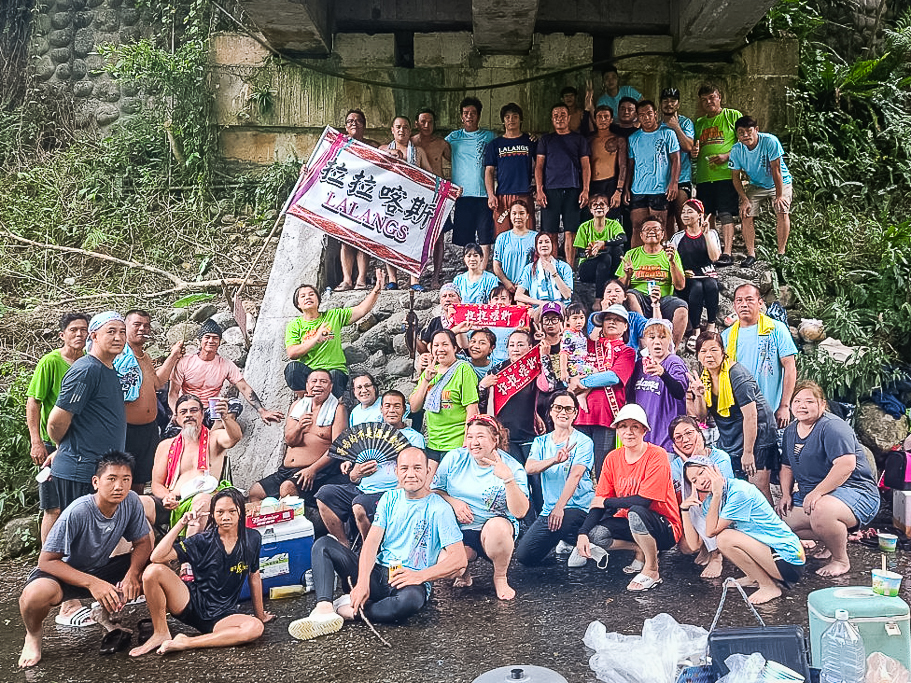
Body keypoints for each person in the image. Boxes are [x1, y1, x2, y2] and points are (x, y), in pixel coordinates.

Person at [288, 447, 467, 640]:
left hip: (408, 580)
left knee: (409, 603)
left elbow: (459, 559)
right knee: (324, 545)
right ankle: (324, 609)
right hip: (378, 572)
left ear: (428, 471)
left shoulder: (440, 509)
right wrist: (363, 582)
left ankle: (351, 611)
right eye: (405, 468)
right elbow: (372, 543)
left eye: (417, 468)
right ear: (397, 471)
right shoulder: (389, 499)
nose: (411, 474)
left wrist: (420, 576)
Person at [18, 451, 152, 668]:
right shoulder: (79, 510)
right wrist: (93, 583)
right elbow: (46, 561)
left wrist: (132, 575)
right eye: (112, 479)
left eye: (125, 479)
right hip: (65, 572)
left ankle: (154, 627)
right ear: (96, 482)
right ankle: (32, 636)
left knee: (158, 566)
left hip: (101, 567)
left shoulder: (132, 502)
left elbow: (143, 542)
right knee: (34, 595)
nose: (119, 486)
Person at [129, 488, 273, 656]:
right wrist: (181, 523)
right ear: (212, 514)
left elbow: (254, 576)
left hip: (223, 615)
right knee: (152, 571)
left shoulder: (253, 538)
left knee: (255, 627)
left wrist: (260, 615)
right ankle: (160, 632)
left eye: (232, 511)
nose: (226, 517)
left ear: (241, 511)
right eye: (220, 512)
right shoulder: (202, 540)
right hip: (190, 604)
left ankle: (187, 642)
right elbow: (157, 556)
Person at [573, 404, 681, 591]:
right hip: (631, 522)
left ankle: (652, 569)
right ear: (616, 430)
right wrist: (583, 533)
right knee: (595, 535)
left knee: (636, 512)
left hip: (665, 526)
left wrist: (607, 502)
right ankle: (639, 549)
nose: (628, 432)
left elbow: (643, 501)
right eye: (623, 426)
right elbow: (600, 501)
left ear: (644, 431)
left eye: (635, 427)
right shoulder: (612, 458)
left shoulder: (657, 455)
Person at [777, 381, 880, 577]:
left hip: (855, 490)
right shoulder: (791, 431)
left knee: (821, 509)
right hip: (814, 495)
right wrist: (785, 494)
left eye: (809, 401)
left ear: (822, 405)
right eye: (797, 401)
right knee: (780, 521)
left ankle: (840, 559)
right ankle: (832, 539)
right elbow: (787, 466)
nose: (802, 406)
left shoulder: (833, 427)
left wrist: (817, 492)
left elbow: (846, 465)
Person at [432, 415, 530, 600]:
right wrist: (454, 502)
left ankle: (500, 576)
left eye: (480, 437)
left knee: (497, 528)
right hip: (459, 529)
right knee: (446, 568)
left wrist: (508, 480)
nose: (474, 442)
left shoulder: (512, 467)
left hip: (494, 531)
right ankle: (463, 570)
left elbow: (521, 512)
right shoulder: (455, 458)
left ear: (495, 440)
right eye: (470, 436)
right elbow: (434, 491)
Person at [682, 459, 804, 603]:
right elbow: (694, 545)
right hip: (770, 556)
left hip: (790, 559)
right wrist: (684, 510)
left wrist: (716, 494)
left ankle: (768, 586)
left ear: (714, 468)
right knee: (723, 538)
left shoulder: (739, 491)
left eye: (702, 472)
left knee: (724, 538)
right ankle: (755, 577)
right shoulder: (710, 502)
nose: (700, 482)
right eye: (694, 481)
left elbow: (711, 532)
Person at [316, 390, 426, 546]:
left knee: (359, 504)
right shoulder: (368, 433)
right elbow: (353, 478)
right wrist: (357, 472)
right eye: (387, 406)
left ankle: (370, 550)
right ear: (381, 409)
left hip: (391, 492)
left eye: (397, 406)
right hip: (363, 489)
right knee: (324, 494)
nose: (392, 410)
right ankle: (344, 544)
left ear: (404, 410)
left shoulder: (414, 438)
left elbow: (418, 470)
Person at [248, 370, 348, 534]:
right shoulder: (297, 406)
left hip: (316, 469)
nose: (317, 385)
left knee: (287, 488)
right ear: (307, 386)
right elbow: (290, 440)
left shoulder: (338, 409)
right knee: (255, 492)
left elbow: (337, 448)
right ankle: (267, 533)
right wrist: (300, 426)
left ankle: (292, 534)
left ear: (330, 387)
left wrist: (312, 470)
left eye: (323, 382)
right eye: (313, 381)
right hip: (286, 470)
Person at [688, 332, 779, 502]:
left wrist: (748, 452)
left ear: (723, 351)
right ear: (698, 356)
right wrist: (699, 395)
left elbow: (751, 416)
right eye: (703, 351)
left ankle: (769, 524)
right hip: (731, 434)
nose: (709, 355)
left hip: (758, 433)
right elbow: (701, 417)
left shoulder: (736, 374)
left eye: (714, 350)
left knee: (757, 486)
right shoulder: (705, 377)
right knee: (737, 486)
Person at [26, 312, 89, 542]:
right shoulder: (51, 362)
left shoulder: (90, 361)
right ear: (63, 335)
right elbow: (34, 401)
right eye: (73, 330)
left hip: (83, 443)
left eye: (84, 329)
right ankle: (47, 561)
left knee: (80, 503)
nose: (79, 334)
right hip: (53, 442)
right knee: (53, 505)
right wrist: (36, 441)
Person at [142, 394, 240, 537]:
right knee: (138, 503)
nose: (189, 415)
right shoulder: (165, 446)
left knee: (202, 502)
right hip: (172, 501)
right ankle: (150, 553)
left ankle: (187, 554)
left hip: (202, 498)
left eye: (193, 410)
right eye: (183, 412)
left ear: (201, 414)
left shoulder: (214, 438)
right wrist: (166, 497)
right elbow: (157, 484)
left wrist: (225, 417)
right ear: (176, 418)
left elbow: (235, 437)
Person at [516, 391, 595, 565]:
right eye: (558, 407)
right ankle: (569, 539)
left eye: (568, 409)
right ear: (551, 411)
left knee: (566, 520)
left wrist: (560, 507)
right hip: (550, 509)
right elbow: (529, 468)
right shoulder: (541, 442)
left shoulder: (583, 442)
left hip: (578, 507)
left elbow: (575, 475)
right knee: (526, 556)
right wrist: (554, 460)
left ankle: (586, 541)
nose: (563, 413)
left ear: (575, 413)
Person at [284, 270, 386, 398]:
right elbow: (292, 353)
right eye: (303, 296)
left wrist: (376, 290)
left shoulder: (334, 315)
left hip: (333, 372)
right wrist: (316, 338)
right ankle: (306, 399)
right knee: (292, 369)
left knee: (335, 376)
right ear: (298, 304)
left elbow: (361, 310)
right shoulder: (294, 325)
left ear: (318, 299)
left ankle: (331, 404)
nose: (308, 297)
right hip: (310, 375)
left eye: (311, 294)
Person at [118, 309, 184, 493]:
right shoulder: (120, 357)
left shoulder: (144, 356)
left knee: (140, 479)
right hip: (127, 428)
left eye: (146, 325)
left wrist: (173, 356)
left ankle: (136, 515)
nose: (142, 329)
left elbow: (156, 383)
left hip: (148, 429)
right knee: (123, 478)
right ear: (125, 327)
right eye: (137, 324)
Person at [169, 319, 283, 425]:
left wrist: (262, 411)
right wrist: (176, 412)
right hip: (188, 411)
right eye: (207, 337)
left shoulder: (226, 365)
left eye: (215, 338)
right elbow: (173, 392)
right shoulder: (185, 362)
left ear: (219, 342)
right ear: (199, 341)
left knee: (235, 404)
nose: (211, 341)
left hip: (210, 412)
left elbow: (244, 388)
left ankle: (214, 435)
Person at [572, 304, 636, 478]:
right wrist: (572, 379)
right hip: (580, 417)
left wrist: (580, 382)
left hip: (607, 417)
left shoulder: (627, 352)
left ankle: (602, 505)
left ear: (625, 326)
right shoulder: (587, 346)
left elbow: (613, 377)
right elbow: (572, 366)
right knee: (576, 469)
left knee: (604, 471)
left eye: (618, 319)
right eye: (608, 318)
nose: (612, 322)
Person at [721, 283, 797, 429]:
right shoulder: (726, 336)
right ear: (734, 305)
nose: (744, 304)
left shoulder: (776, 329)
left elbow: (790, 367)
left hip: (771, 410)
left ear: (760, 303)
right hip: (738, 413)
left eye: (749, 300)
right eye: (739, 300)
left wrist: (785, 406)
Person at [669, 417, 734, 578]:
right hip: (697, 515)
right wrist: (689, 462)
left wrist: (697, 460)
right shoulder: (676, 465)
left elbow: (718, 492)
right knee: (686, 548)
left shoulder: (720, 457)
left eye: (689, 433)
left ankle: (716, 554)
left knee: (708, 497)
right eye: (678, 437)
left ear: (699, 433)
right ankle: (706, 545)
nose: (685, 440)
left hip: (724, 514)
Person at [410, 329, 480, 464]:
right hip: (433, 442)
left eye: (445, 344)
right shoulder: (429, 371)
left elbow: (472, 409)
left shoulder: (463, 369)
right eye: (436, 345)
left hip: (456, 443)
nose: (440, 349)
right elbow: (414, 407)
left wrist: (467, 442)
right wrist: (425, 380)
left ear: (454, 348)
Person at [729, 116, 794, 259]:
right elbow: (735, 177)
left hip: (780, 182)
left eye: (749, 131)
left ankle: (781, 253)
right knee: (746, 213)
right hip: (756, 184)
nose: (745, 135)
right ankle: (751, 254)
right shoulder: (736, 150)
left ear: (756, 130)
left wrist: (779, 196)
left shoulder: (770, 141)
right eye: (741, 132)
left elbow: (776, 170)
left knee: (782, 209)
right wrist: (744, 199)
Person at [535, 102, 592, 265]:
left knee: (571, 232)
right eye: (555, 116)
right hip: (550, 190)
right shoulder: (546, 140)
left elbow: (586, 165)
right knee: (550, 232)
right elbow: (539, 166)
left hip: (573, 189)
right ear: (552, 119)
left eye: (562, 115)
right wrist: (539, 190)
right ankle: (551, 267)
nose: (559, 118)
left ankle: (570, 269)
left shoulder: (579, 139)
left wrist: (586, 189)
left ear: (569, 118)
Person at [617, 217, 689, 345]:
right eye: (647, 229)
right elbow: (619, 287)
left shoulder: (671, 254)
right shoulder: (631, 254)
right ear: (641, 235)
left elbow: (680, 286)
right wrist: (627, 275)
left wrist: (672, 262)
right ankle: (646, 337)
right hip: (640, 298)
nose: (651, 232)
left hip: (664, 299)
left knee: (682, 308)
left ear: (662, 234)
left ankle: (672, 350)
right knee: (630, 296)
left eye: (655, 229)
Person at [383, 115, 435, 290]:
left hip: (412, 203)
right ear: (392, 130)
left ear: (410, 130)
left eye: (405, 127)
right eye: (398, 127)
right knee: (388, 237)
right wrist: (389, 154)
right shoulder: (383, 149)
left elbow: (431, 176)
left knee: (414, 241)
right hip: (389, 201)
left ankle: (414, 280)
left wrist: (450, 189)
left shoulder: (418, 151)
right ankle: (392, 279)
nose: (401, 130)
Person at [693, 84, 743, 266]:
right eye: (704, 99)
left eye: (711, 97)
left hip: (726, 175)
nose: (708, 102)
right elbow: (694, 146)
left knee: (726, 213)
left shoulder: (732, 115)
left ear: (719, 96)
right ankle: (712, 251)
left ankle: (727, 252)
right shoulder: (699, 123)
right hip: (704, 176)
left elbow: (744, 142)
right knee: (707, 216)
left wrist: (726, 156)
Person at [446, 97, 497, 267]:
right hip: (462, 194)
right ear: (461, 116)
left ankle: (482, 269)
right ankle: (469, 270)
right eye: (466, 113)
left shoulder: (489, 136)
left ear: (479, 115)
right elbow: (436, 149)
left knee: (485, 235)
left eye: (473, 113)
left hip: (484, 194)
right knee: (465, 236)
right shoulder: (453, 137)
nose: (469, 116)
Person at [480, 328, 543, 466]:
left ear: (530, 347)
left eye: (520, 345)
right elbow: (483, 406)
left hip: (530, 434)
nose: (516, 349)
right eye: (512, 345)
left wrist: (544, 357)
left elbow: (547, 387)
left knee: (536, 481)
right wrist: (482, 387)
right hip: (505, 436)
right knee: (515, 478)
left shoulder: (535, 368)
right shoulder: (497, 371)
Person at [336, 108, 382, 291]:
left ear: (364, 125)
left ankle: (361, 279)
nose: (353, 123)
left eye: (358, 121)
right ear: (346, 126)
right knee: (345, 240)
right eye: (349, 121)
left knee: (363, 238)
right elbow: (321, 163)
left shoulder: (373, 146)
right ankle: (347, 280)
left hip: (367, 197)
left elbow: (388, 160)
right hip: (344, 198)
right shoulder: (338, 145)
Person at [627, 318, 688, 451]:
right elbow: (631, 399)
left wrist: (663, 374)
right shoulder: (639, 364)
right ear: (645, 341)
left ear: (669, 340)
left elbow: (680, 392)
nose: (657, 342)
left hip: (666, 442)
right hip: (643, 441)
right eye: (652, 337)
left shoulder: (674, 362)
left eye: (662, 337)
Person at [625, 100, 680, 245]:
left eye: (649, 113)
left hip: (660, 188)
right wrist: (626, 189)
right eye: (642, 115)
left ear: (655, 114)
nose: (646, 117)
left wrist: (673, 183)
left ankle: (663, 262)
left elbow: (676, 159)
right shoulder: (633, 138)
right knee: (637, 227)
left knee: (659, 227)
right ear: (637, 117)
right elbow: (630, 166)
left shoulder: (668, 133)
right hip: (638, 189)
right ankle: (635, 263)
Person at [669, 199, 722, 341]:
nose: (685, 215)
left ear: (700, 215)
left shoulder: (711, 234)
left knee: (711, 285)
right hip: (688, 277)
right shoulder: (678, 237)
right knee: (697, 288)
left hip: (707, 273)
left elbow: (714, 257)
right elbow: (672, 260)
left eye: (690, 211)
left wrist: (705, 235)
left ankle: (711, 324)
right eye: (683, 212)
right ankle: (696, 329)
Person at [411, 107, 452, 288]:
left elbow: (453, 164)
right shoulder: (410, 143)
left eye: (430, 122)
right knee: (414, 237)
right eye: (423, 121)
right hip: (416, 196)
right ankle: (415, 277)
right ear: (416, 123)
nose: (426, 125)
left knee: (439, 237)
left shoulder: (442, 144)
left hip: (437, 196)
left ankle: (436, 276)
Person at [484, 103, 537, 237]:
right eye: (507, 117)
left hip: (524, 194)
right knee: (502, 235)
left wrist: (538, 187)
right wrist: (491, 195)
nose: (511, 120)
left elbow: (539, 166)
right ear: (503, 121)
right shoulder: (494, 145)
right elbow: (489, 171)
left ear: (521, 119)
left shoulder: (530, 141)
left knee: (527, 234)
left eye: (515, 116)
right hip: (502, 195)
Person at [573, 194, 626, 310]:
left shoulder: (613, 224)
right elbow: (580, 252)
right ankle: (598, 299)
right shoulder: (584, 227)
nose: (599, 207)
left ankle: (614, 282)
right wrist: (590, 253)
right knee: (605, 257)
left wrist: (604, 243)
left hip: (609, 267)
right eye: (595, 205)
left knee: (616, 250)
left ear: (607, 208)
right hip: (588, 269)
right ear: (591, 210)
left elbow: (623, 238)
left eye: (602, 204)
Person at [659, 88, 696, 233]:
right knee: (666, 221)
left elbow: (688, 146)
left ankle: (685, 251)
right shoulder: (656, 124)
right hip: (662, 180)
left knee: (683, 217)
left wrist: (675, 127)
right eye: (665, 101)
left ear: (678, 104)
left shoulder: (685, 123)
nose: (669, 104)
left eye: (673, 100)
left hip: (682, 178)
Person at [585, 105, 628, 219]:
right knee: (590, 220)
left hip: (610, 184)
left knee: (610, 219)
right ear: (595, 119)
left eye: (606, 116)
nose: (603, 119)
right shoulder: (589, 140)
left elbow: (623, 166)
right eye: (599, 116)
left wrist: (619, 190)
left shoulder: (618, 140)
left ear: (611, 120)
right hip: (591, 185)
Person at [514, 232, 574, 310]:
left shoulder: (564, 267)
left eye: (547, 242)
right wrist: (542, 303)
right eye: (540, 242)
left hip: (561, 308)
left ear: (552, 245)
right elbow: (518, 295)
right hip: (538, 309)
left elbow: (567, 295)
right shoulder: (529, 268)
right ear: (536, 247)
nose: (544, 245)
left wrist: (554, 273)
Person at [492, 199, 538, 294]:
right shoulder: (502, 238)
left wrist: (523, 285)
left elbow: (539, 264)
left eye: (521, 213)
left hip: (528, 288)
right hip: (505, 288)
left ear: (527, 215)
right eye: (514, 213)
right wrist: (506, 282)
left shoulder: (536, 237)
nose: (518, 217)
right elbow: (496, 265)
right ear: (510, 215)